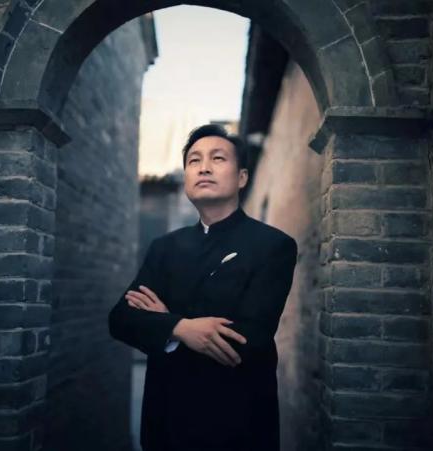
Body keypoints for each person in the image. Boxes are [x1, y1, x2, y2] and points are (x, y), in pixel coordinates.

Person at [108, 123, 298, 451]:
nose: (204, 167)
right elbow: (121, 319)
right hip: (165, 424)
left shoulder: (272, 245)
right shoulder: (164, 248)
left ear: (241, 177)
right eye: (194, 160)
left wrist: (162, 322)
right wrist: (182, 328)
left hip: (236, 425)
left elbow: (244, 342)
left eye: (218, 158)